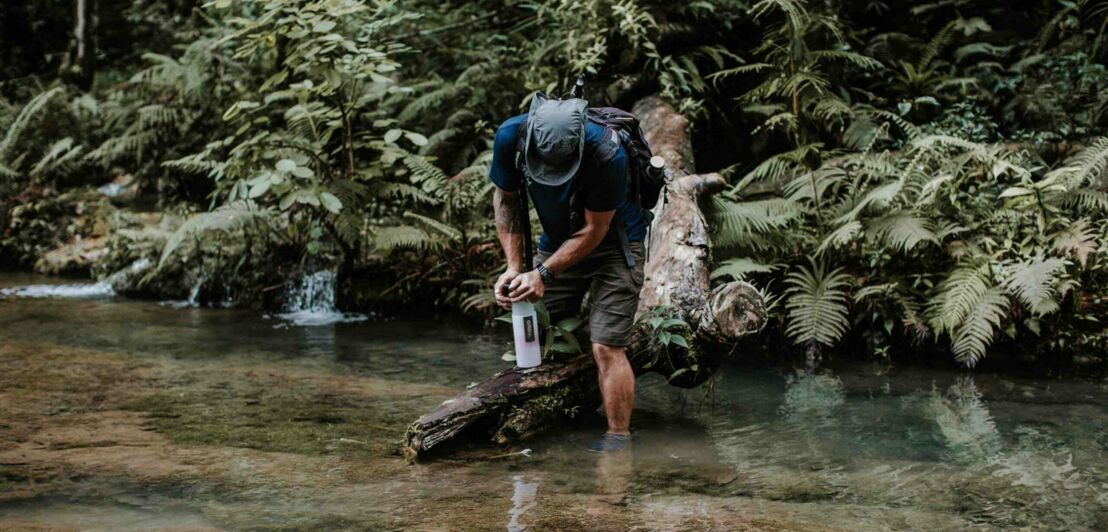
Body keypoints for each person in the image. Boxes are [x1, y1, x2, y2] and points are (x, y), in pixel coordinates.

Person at [489, 92, 647, 453]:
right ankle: (558, 416)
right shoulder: (510, 137)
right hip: (558, 238)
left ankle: (618, 441)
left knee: (606, 344)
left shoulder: (609, 153)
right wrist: (515, 268)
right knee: (540, 327)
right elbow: (506, 199)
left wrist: (542, 274)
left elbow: (595, 230)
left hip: (616, 243)